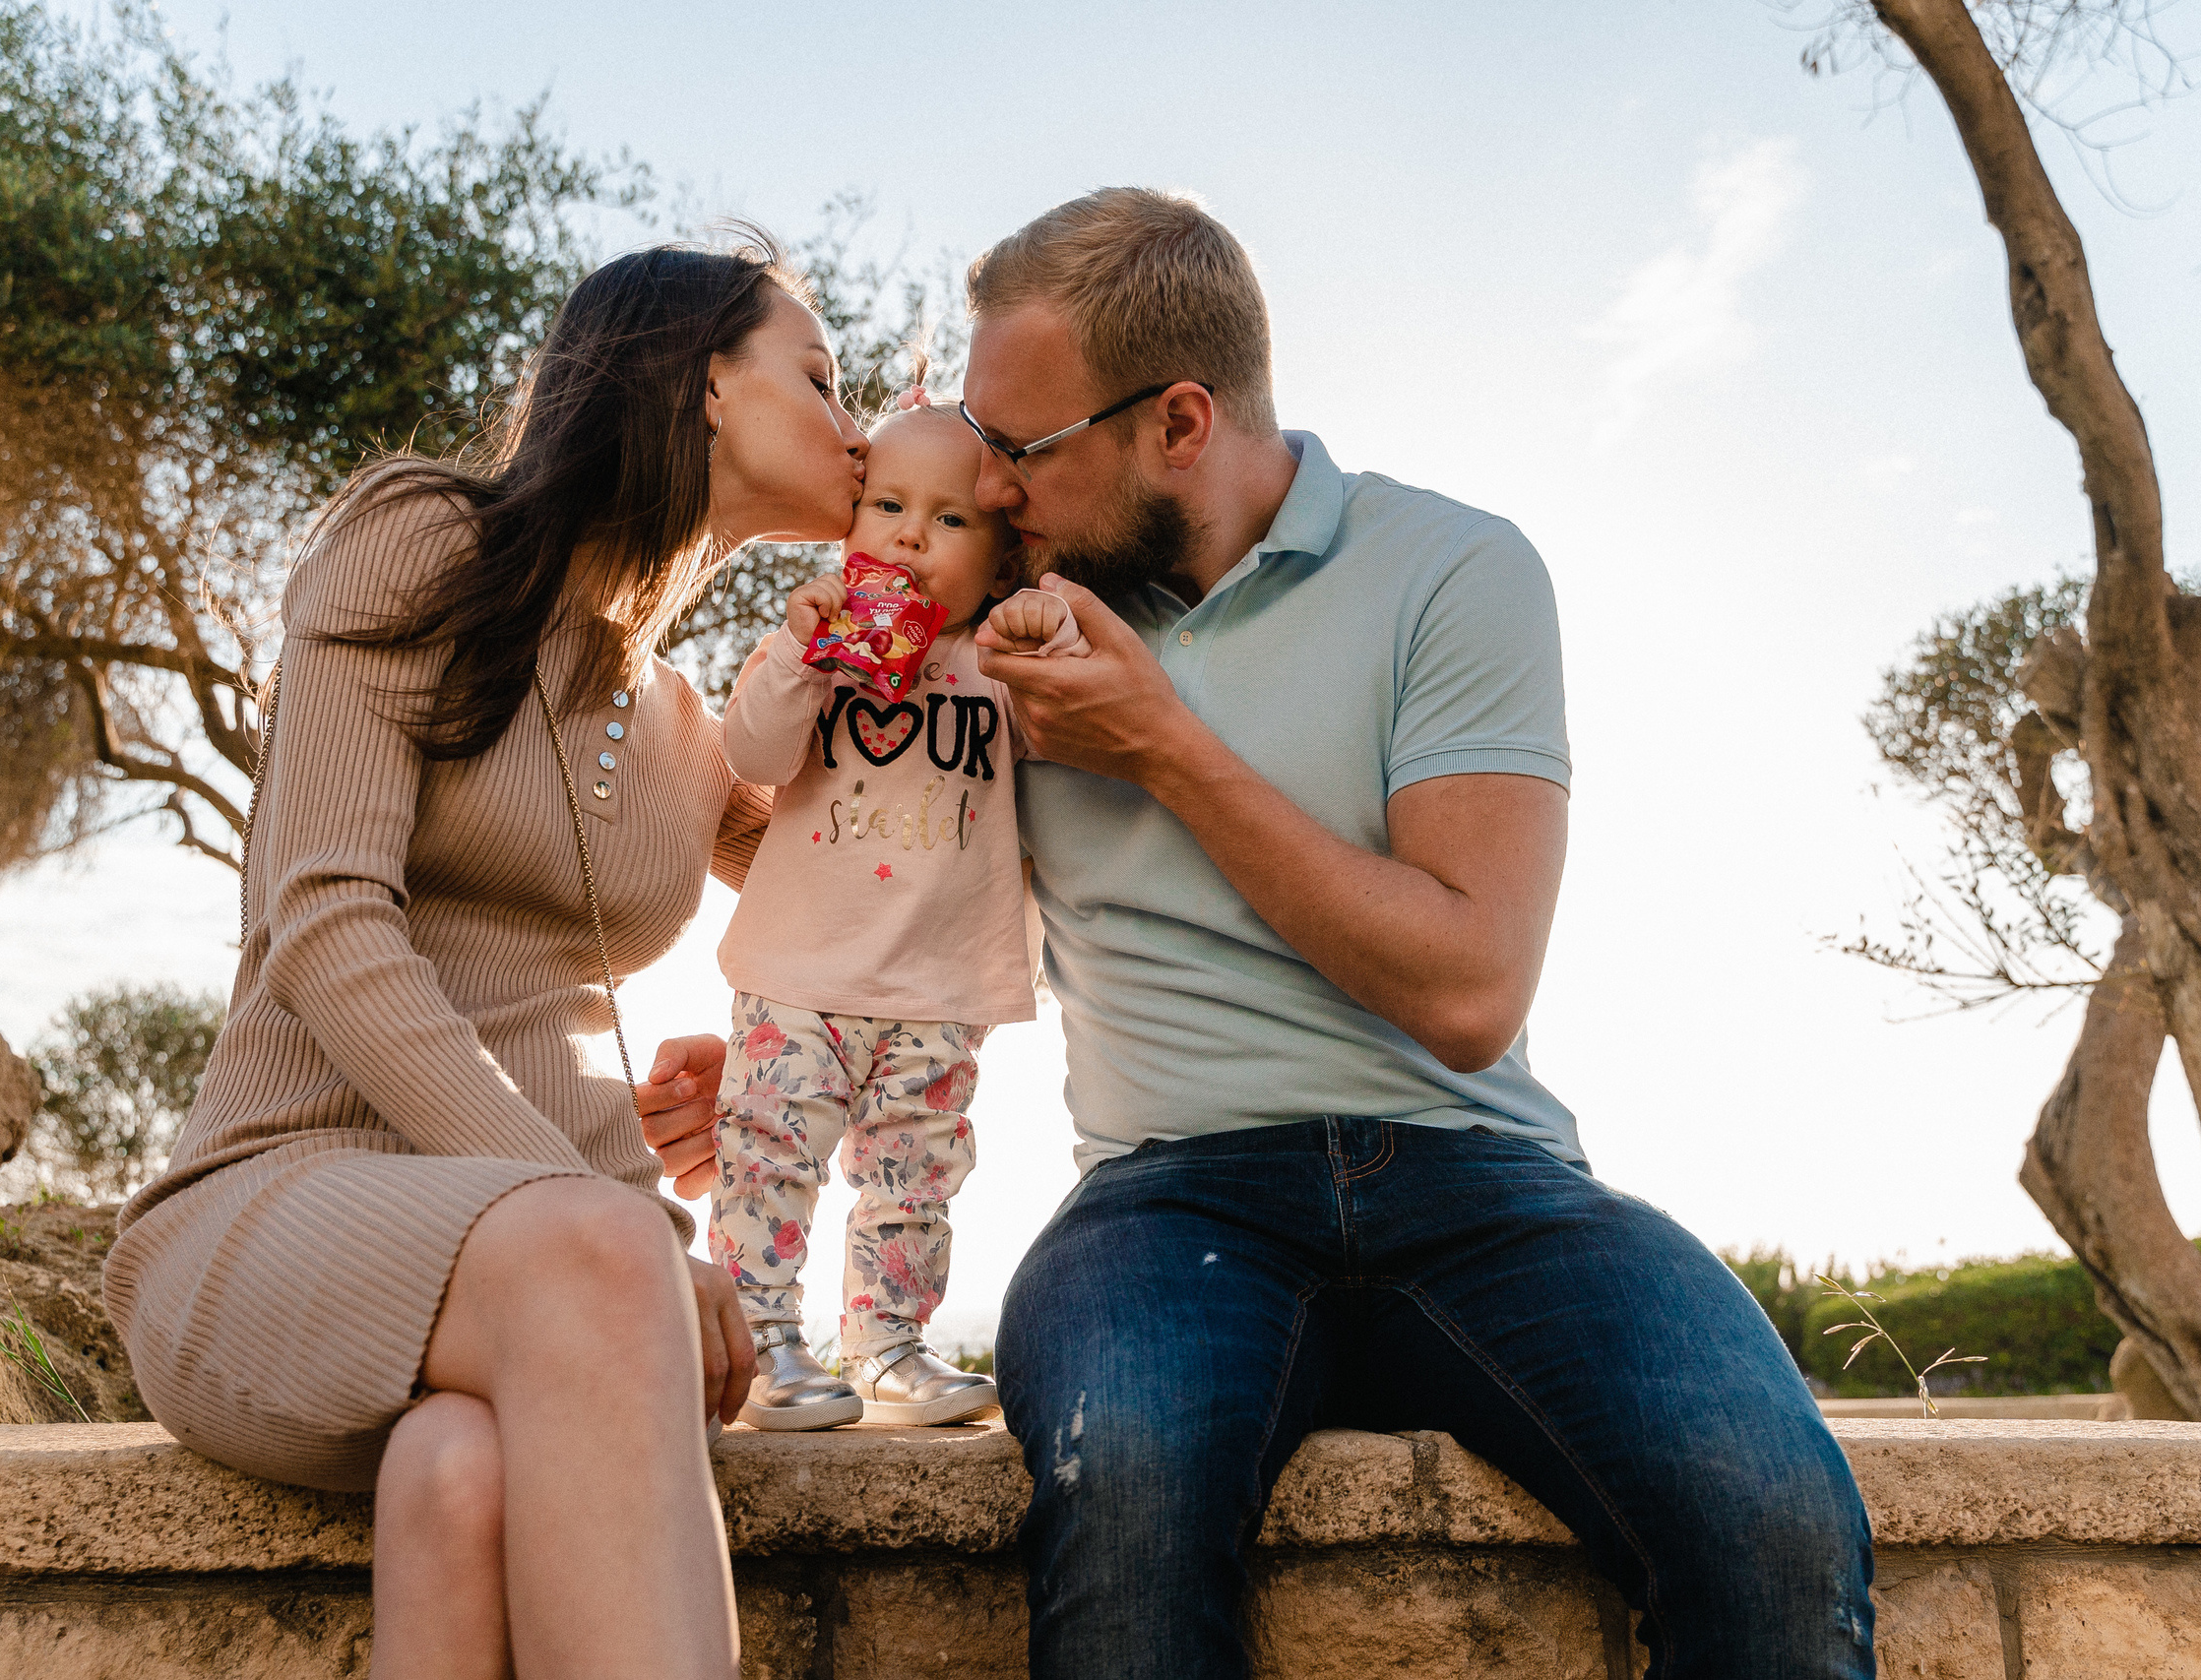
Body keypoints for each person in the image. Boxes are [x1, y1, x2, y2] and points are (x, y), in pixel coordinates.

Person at [958, 190, 1877, 1678]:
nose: (991, 486)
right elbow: (838, 828)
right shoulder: (1006, 609)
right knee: (1119, 1490)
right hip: (1168, 1197)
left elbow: (1469, 987)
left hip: (1483, 1173)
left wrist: (1165, 748)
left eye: (1023, 447)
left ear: (1178, 423)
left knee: (1768, 1509)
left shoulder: (1456, 569)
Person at [103, 235, 868, 1680]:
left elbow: (894, 910)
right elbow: (324, 920)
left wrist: (758, 1073)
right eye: (820, 379)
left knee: (458, 1471)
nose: (855, 423)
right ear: (706, 378)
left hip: (545, 1299)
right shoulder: (424, 541)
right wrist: (601, 1206)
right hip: (281, 1199)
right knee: (602, 1258)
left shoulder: (696, 721)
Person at [704, 398, 1048, 1431]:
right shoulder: (813, 646)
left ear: (999, 558)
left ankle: (887, 1345)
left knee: (915, 1174)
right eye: (887, 506)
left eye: (949, 520)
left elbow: (1070, 763)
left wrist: (1044, 640)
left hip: (942, 984)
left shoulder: (1003, 665)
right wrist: (797, 657)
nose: (909, 533)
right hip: (799, 969)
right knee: (766, 1153)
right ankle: (764, 1344)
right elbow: (753, 759)